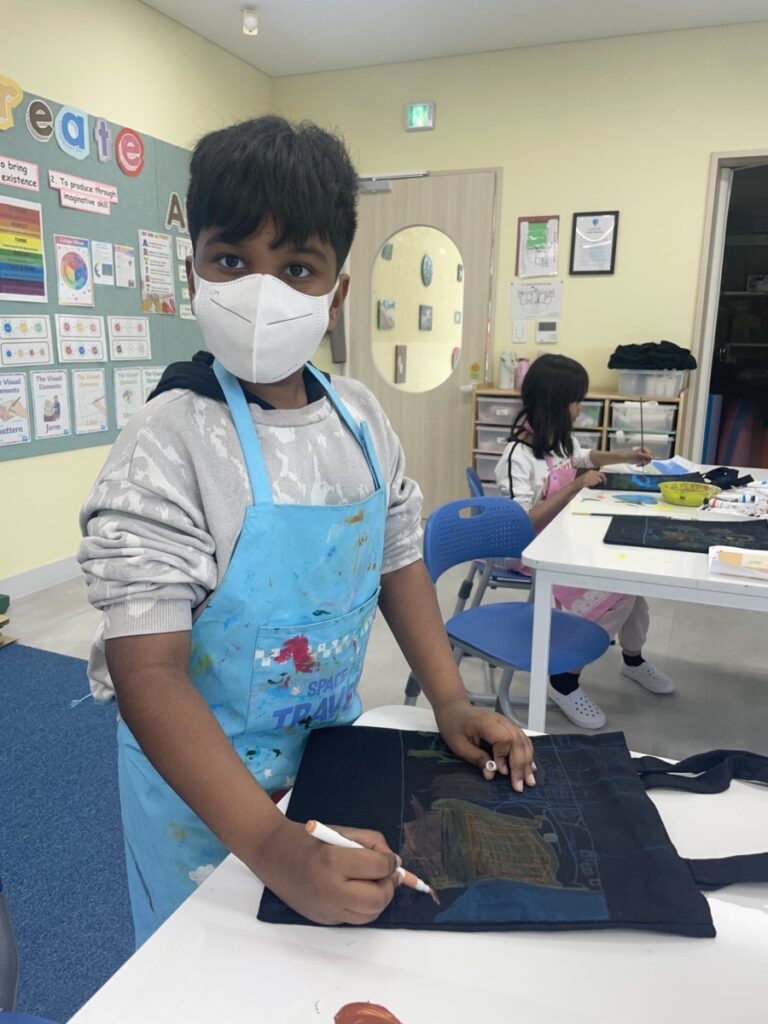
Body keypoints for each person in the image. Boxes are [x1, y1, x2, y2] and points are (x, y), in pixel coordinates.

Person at [78, 115, 536, 946]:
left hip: (327, 764)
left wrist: (450, 699)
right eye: (231, 260)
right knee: (212, 971)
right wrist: (267, 844)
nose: (263, 293)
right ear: (194, 272)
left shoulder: (358, 417)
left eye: (296, 268)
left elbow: (397, 557)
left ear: (336, 295)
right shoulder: (168, 442)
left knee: (319, 969)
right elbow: (147, 670)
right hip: (202, 799)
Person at [494, 353, 676, 729]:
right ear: (555, 404)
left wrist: (624, 456)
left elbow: (583, 457)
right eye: (576, 400)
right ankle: (563, 679)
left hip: (565, 540)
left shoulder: (558, 441)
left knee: (634, 582)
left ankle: (633, 660)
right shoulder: (516, 456)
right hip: (532, 553)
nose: (580, 408)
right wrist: (574, 487)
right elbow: (520, 524)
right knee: (617, 593)